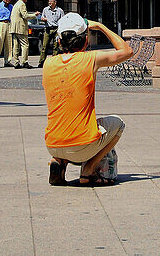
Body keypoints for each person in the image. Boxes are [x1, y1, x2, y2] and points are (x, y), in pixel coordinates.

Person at [43, 12, 133, 186]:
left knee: (66, 121)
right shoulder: (91, 59)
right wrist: (100, 26)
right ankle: (89, 168)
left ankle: (59, 161)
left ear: (60, 41)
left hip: (52, 144)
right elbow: (126, 51)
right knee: (118, 124)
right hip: (82, 147)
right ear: (85, 41)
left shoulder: (48, 63)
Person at [10, 0, 34, 69]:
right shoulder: (22, 4)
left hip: (14, 28)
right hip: (21, 28)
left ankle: (16, 62)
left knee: (16, 46)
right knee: (25, 45)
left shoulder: (16, 4)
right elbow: (25, 16)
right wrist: (35, 15)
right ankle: (24, 62)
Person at [37, 0, 64, 67]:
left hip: (56, 29)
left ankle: (54, 62)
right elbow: (42, 17)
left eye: (51, 1)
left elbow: (62, 20)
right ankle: (41, 62)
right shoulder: (45, 9)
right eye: (49, 1)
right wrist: (43, 19)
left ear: (55, 2)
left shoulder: (60, 10)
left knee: (55, 47)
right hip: (48, 29)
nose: (49, 3)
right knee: (44, 46)